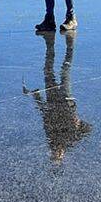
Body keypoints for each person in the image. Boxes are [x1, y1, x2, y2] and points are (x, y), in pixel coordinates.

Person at [22, 32, 92, 164]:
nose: (56, 152)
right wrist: (77, 123)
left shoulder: (50, 137)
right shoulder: (71, 141)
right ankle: (70, 46)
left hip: (53, 99)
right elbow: (88, 129)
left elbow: (45, 114)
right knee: (65, 71)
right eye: (57, 155)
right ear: (63, 155)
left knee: (48, 70)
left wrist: (36, 96)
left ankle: (50, 47)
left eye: (53, 155)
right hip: (66, 101)